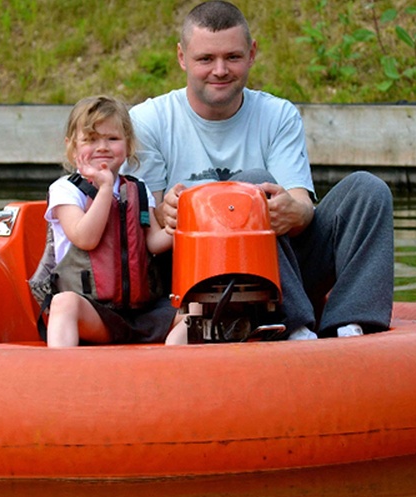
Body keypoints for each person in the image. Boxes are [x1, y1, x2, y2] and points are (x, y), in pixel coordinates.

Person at [126, 1, 394, 339]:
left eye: (233, 57)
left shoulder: (278, 115)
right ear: (182, 58)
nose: (220, 70)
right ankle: (293, 324)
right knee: (250, 185)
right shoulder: (149, 120)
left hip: (281, 266)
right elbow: (146, 225)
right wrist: (167, 213)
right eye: (205, 59)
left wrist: (291, 210)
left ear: (252, 53)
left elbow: (302, 203)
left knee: (367, 190)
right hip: (194, 275)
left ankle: (350, 323)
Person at [28, 95, 185, 347]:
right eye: (91, 140)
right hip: (92, 312)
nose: (102, 147)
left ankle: (169, 368)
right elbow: (85, 238)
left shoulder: (138, 188)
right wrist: (104, 189)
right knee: (63, 303)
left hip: (140, 312)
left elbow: (154, 242)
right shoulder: (65, 190)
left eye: (112, 139)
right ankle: (60, 374)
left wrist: (187, 219)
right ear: (72, 147)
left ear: (128, 145)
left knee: (196, 313)